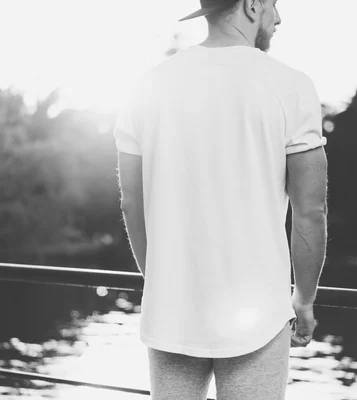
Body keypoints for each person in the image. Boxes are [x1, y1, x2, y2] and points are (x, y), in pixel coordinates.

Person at [114, 0, 328, 398]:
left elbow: (131, 202)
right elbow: (310, 212)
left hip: (172, 313)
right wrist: (305, 299)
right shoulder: (292, 85)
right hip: (259, 317)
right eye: (274, 5)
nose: (278, 18)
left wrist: (162, 282)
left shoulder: (148, 84)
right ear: (251, 5)